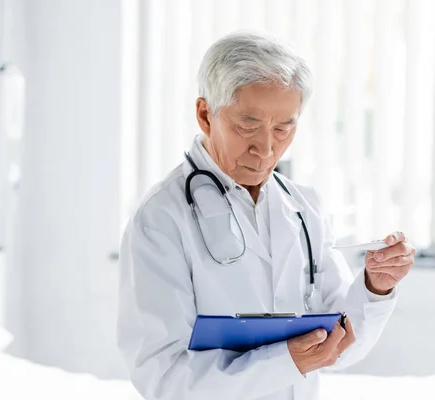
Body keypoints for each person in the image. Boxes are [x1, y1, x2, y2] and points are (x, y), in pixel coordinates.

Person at [116, 32, 415, 400]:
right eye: (248, 125)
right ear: (205, 115)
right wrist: (285, 361)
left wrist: (375, 287)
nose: (266, 148)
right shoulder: (161, 218)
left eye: (283, 127)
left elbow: (341, 343)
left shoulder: (304, 207)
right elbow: (164, 379)